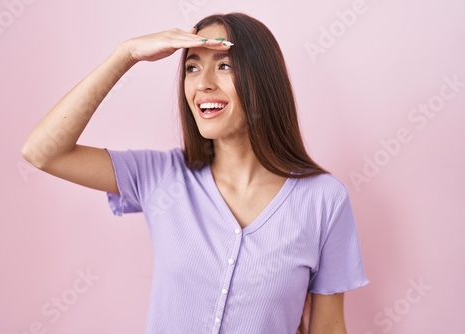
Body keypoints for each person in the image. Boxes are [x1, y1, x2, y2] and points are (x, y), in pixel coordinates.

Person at [22, 12, 368, 334]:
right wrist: (125, 55)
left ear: (262, 80)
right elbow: (42, 152)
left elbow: (328, 329)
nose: (202, 84)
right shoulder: (161, 177)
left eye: (224, 66)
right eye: (191, 67)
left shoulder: (324, 199)